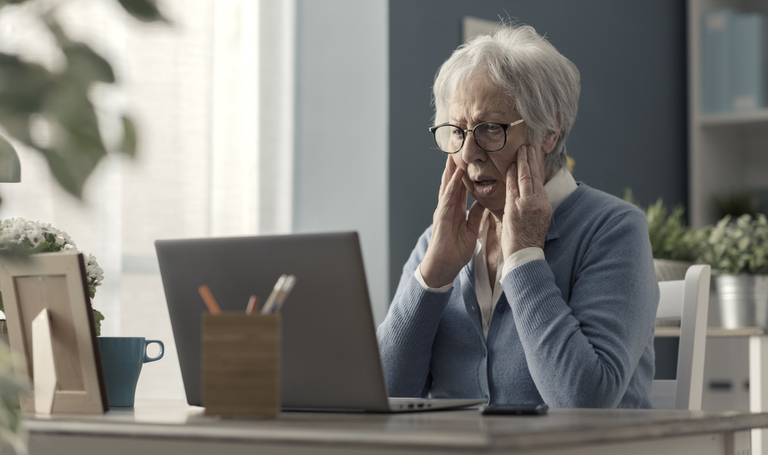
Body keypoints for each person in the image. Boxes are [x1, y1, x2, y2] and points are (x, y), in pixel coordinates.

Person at [376, 24, 659, 408]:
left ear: (549, 131)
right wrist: (432, 278)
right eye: (457, 132)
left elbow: (584, 402)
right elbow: (381, 396)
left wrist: (525, 256)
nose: (469, 152)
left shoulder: (613, 230)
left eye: (489, 129)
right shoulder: (436, 242)